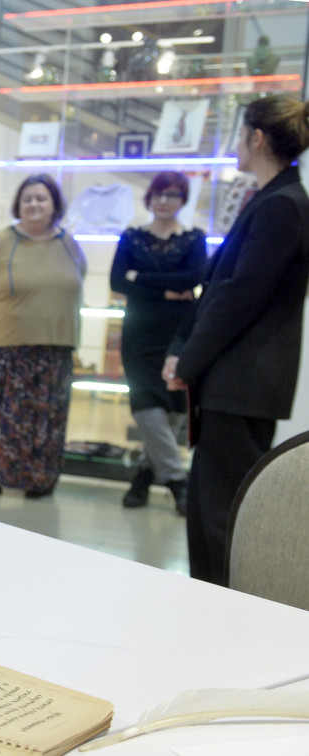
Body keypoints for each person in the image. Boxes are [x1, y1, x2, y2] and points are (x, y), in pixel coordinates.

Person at [164, 94, 309, 585]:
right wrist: (183, 351)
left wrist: (188, 361)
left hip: (243, 383)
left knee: (225, 513)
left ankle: (231, 613)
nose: (237, 144)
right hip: (234, 382)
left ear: (258, 138)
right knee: (210, 506)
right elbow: (223, 290)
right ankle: (212, 603)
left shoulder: (283, 205)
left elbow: (238, 298)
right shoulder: (273, 199)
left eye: (241, 133)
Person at [0, 174, 86, 498]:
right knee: (0, 418)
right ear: (18, 205)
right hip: (4, 348)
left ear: (55, 204)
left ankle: (40, 478)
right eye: (28, 199)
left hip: (55, 351)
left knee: (46, 421)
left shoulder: (69, 243)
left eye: (41, 198)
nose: (34, 204)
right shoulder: (1, 241)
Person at [110, 172, 206, 514]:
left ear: (182, 200)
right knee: (147, 403)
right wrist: (166, 288)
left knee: (172, 407)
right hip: (139, 331)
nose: (164, 200)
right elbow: (118, 280)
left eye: (173, 194)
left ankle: (144, 476)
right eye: (159, 194)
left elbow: (194, 277)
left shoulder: (194, 238)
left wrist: (142, 278)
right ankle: (178, 482)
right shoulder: (132, 237)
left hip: (179, 330)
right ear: (149, 198)